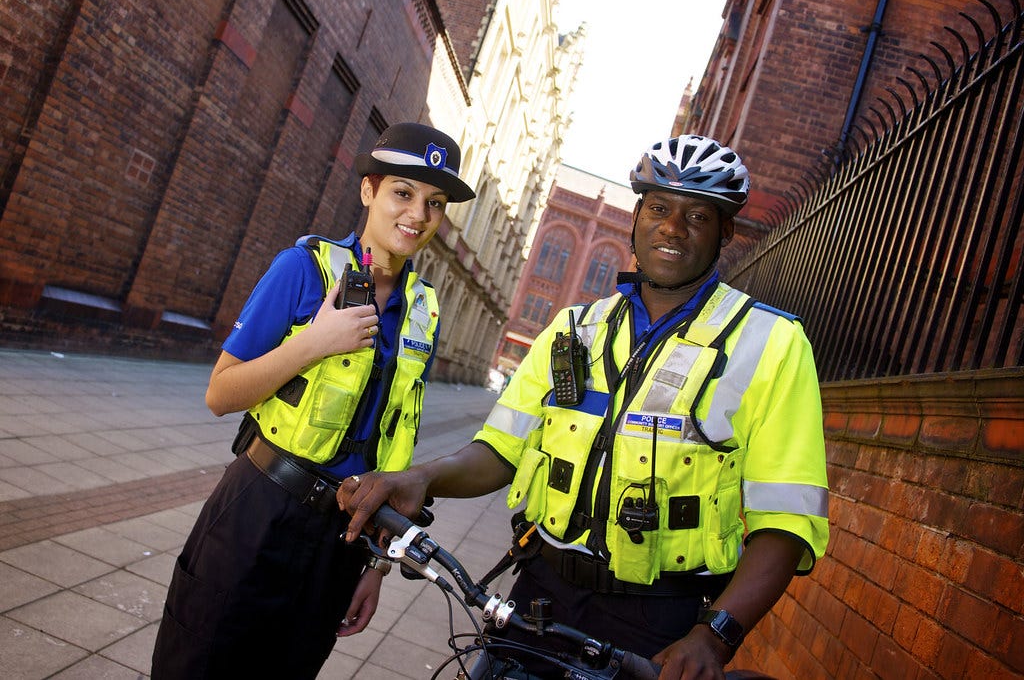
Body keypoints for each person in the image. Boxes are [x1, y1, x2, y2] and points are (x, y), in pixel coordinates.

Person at [339, 134, 830, 679]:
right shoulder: (573, 328)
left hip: (659, 622)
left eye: (698, 216)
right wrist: (421, 477)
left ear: (725, 234)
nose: (673, 227)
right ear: (637, 217)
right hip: (539, 596)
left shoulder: (773, 344)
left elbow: (787, 520)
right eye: (660, 209)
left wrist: (716, 636)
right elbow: (498, 451)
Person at [151, 122, 475, 679]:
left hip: (342, 538)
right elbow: (220, 393)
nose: (418, 216)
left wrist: (375, 564)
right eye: (404, 193)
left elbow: (396, 438)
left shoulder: (425, 307)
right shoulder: (303, 268)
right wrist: (315, 343)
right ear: (368, 190)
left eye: (435, 203)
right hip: (258, 511)